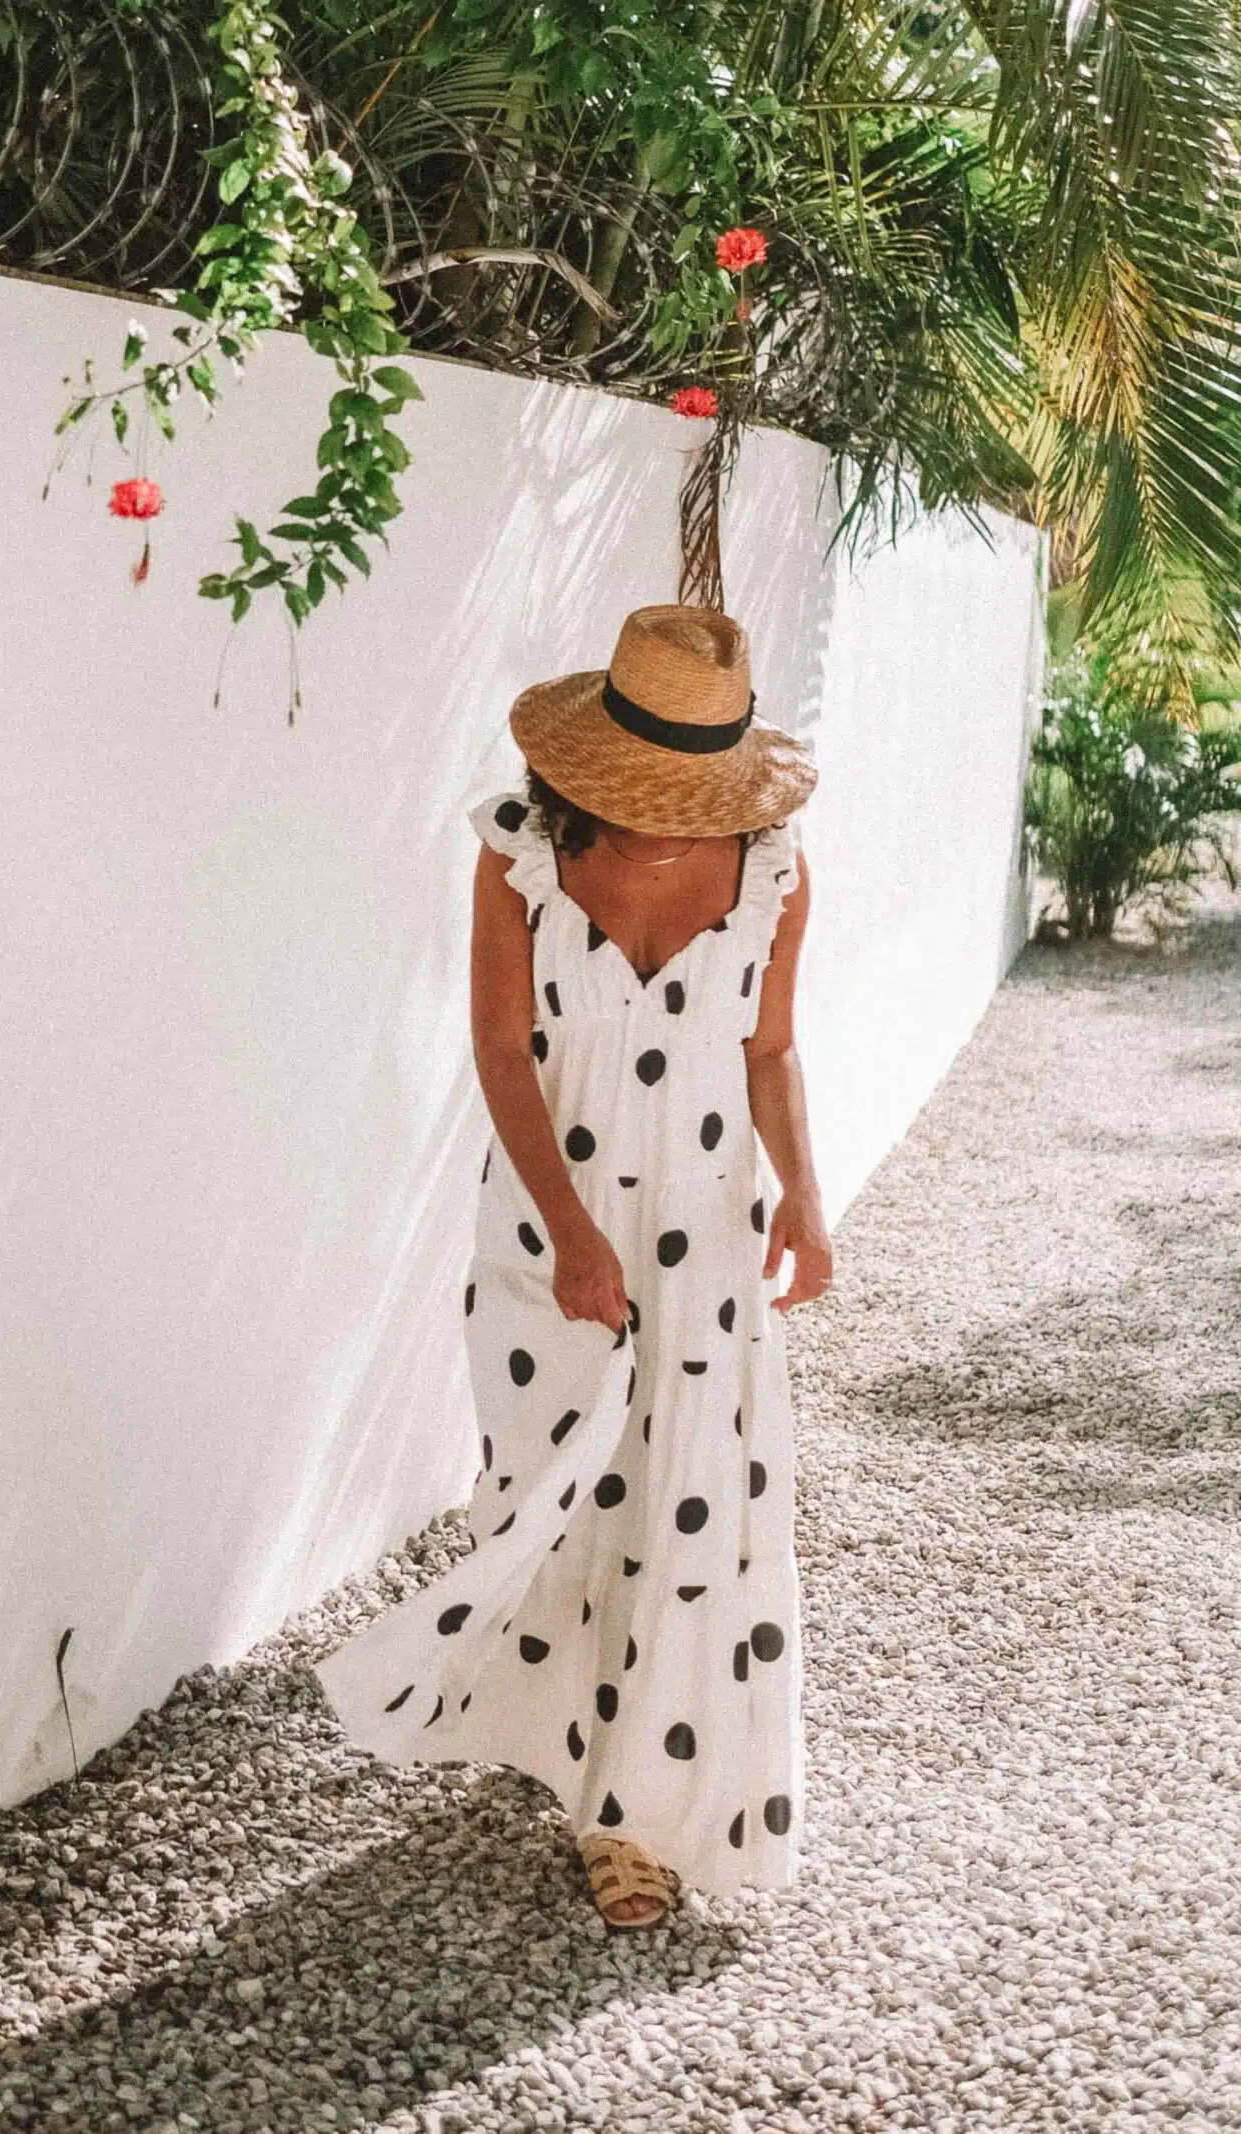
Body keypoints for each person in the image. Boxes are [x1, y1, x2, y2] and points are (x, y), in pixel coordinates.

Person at [313, 602, 833, 1930]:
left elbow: (769, 1052)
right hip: (554, 1229)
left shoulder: (774, 873)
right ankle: (558, 1735)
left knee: (686, 1506)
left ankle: (635, 1818)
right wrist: (572, 1231)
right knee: (550, 1485)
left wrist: (807, 1206)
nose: (676, 818)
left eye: (697, 792)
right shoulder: (520, 863)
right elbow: (502, 1050)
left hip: (709, 1237)